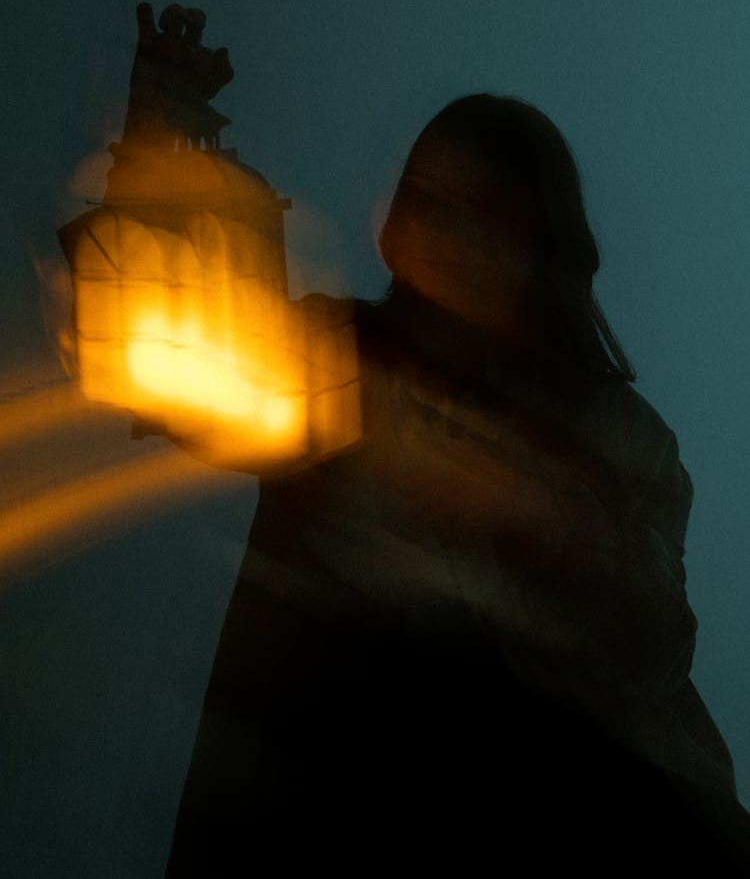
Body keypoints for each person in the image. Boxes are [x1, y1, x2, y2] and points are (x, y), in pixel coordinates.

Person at [160, 89, 750, 875]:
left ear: (536, 239)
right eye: (425, 197)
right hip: (330, 802)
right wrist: (155, 151)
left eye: (480, 209)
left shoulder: (615, 432)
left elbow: (654, 643)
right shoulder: (332, 359)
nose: (444, 231)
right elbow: (167, 352)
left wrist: (550, 519)